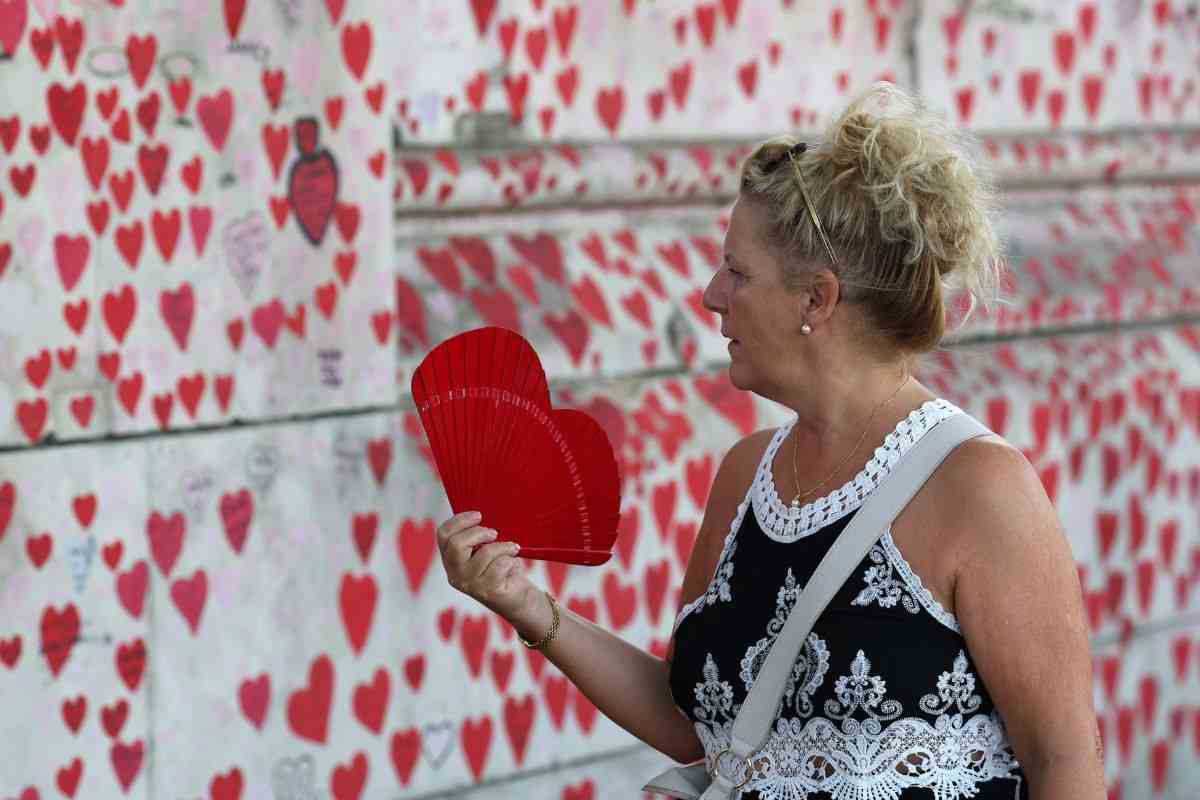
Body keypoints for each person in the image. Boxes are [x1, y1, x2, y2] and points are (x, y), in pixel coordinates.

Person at [435, 83, 1105, 799]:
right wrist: (530, 608)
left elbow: (1065, 763)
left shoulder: (979, 487)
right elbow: (696, 721)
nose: (710, 295)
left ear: (816, 299)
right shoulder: (745, 474)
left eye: (738, 271)